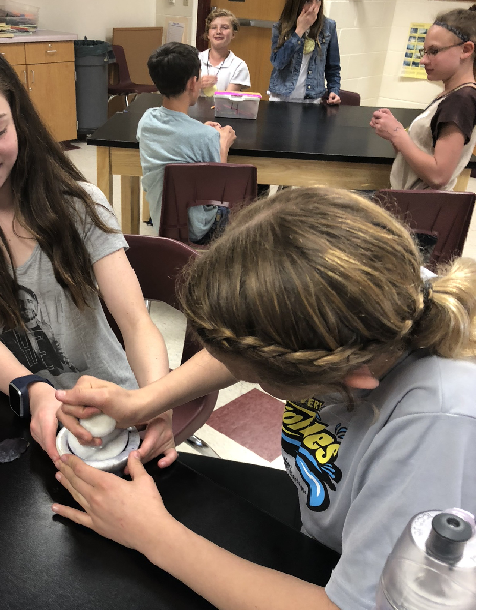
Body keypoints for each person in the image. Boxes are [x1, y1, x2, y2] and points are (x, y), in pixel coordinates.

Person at [53, 187, 475, 610]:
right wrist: (144, 402)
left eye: (256, 374)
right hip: (322, 517)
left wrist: (154, 537)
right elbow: (248, 348)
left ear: (347, 374)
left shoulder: (437, 427)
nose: (237, 367)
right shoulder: (381, 296)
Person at [0, 12, 176, 468]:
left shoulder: (78, 203)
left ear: (18, 117)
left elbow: (136, 321)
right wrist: (35, 392)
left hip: (113, 410)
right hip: (17, 404)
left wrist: (154, 400)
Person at [137, 42, 236, 244]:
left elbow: (176, 132)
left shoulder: (146, 122)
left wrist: (198, 128)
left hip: (163, 223)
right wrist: (222, 145)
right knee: (257, 189)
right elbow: (218, 191)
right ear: (192, 83)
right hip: (201, 232)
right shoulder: (207, 137)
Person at [371, 5, 476, 190]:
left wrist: (397, 133)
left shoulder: (461, 100)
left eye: (434, 51)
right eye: (424, 51)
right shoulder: (450, 95)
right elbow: (422, 154)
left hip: (419, 209)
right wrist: (394, 133)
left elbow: (438, 175)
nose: (423, 60)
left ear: (466, 50)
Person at [269, 0, 341, 104]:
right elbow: (278, 63)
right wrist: (299, 30)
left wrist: (334, 90)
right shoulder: (281, 26)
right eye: (308, 1)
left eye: (317, 1)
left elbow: (333, 67)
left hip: (312, 99)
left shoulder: (328, 26)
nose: (313, 7)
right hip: (281, 96)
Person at [199, 8, 251, 97]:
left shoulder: (239, 66)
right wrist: (197, 85)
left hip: (222, 110)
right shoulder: (195, 59)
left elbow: (227, 102)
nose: (218, 31)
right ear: (208, 34)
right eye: (214, 27)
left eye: (224, 27)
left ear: (233, 34)